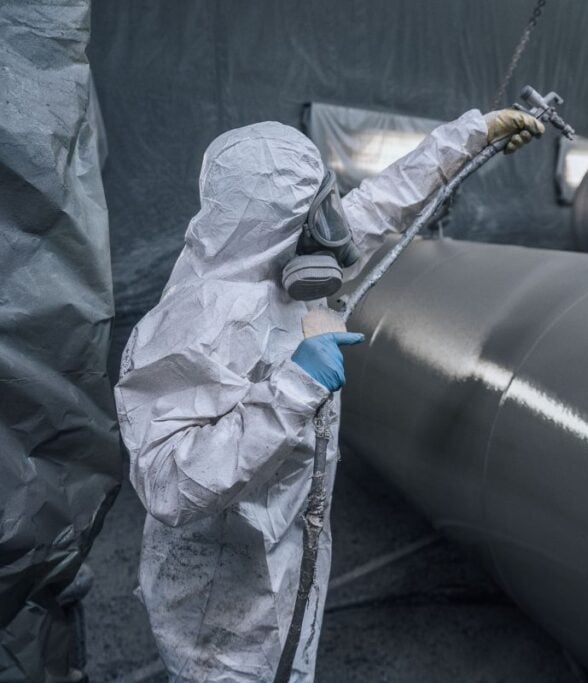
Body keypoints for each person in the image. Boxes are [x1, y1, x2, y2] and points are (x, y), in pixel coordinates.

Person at [113, 107, 544, 681]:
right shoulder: (191, 322)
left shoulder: (275, 263)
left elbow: (380, 204)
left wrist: (472, 137)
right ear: (281, 218)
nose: (332, 226)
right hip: (221, 604)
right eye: (317, 208)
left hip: (284, 570)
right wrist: (297, 386)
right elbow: (168, 481)